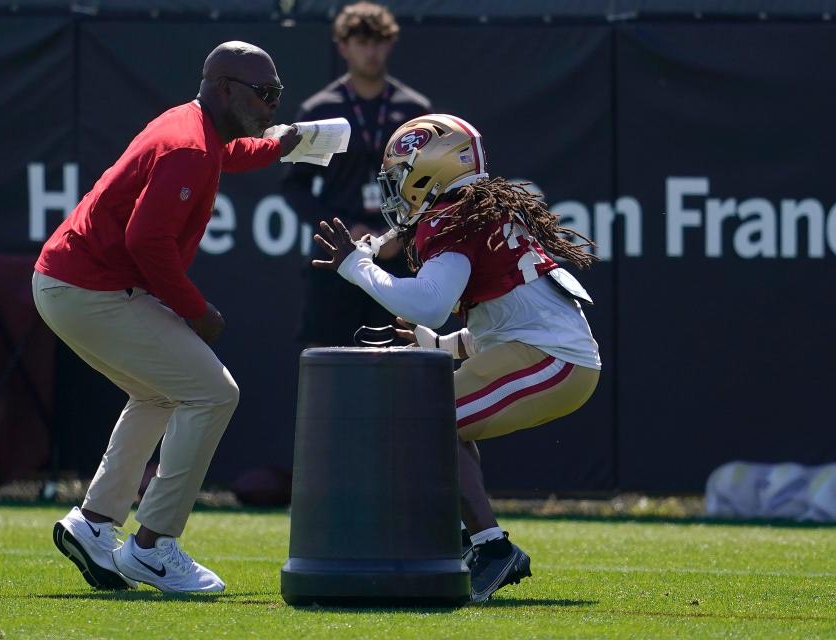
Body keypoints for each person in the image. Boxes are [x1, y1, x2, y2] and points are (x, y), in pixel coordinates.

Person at [32, 41, 301, 594]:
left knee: (160, 393)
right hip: (88, 288)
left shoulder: (196, 127)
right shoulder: (188, 146)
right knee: (213, 393)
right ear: (224, 87)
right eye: (264, 93)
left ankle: (95, 523)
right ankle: (153, 547)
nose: (272, 104)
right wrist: (196, 311)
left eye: (277, 93)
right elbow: (147, 242)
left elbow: (230, 153)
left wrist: (279, 148)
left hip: (69, 284)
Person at [312, 114, 602, 603]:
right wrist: (444, 346)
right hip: (545, 352)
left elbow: (428, 302)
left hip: (551, 358)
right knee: (432, 420)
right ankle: (465, 541)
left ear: (430, 171)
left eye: (401, 176)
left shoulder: (453, 217)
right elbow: (509, 313)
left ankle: (490, 548)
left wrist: (356, 266)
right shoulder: (476, 210)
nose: (395, 190)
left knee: (426, 424)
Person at [282, 1, 431, 346]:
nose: (371, 51)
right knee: (330, 356)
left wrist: (402, 234)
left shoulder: (414, 110)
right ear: (343, 47)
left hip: (397, 259)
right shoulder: (322, 111)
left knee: (400, 363)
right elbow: (294, 187)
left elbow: (433, 189)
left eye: (378, 41)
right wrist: (343, 230)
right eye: (362, 42)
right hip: (338, 257)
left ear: (390, 44)